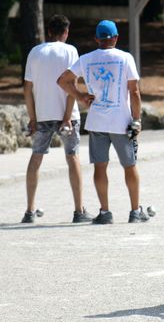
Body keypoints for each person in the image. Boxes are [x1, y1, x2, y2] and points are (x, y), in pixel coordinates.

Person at [57, 20, 148, 224]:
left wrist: (80, 97)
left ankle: (105, 212)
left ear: (96, 39)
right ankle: (135, 211)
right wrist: (136, 120)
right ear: (116, 37)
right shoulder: (125, 58)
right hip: (121, 122)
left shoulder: (86, 59)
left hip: (97, 122)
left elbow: (63, 80)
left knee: (100, 167)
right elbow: (134, 91)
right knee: (130, 165)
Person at [22, 14, 94, 223]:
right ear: (66, 32)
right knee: (72, 157)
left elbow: (27, 89)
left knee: (36, 157)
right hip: (67, 115)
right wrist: (66, 117)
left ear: (49, 31)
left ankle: (29, 211)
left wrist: (33, 117)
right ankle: (79, 210)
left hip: (42, 113)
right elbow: (71, 86)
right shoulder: (70, 50)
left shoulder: (35, 52)